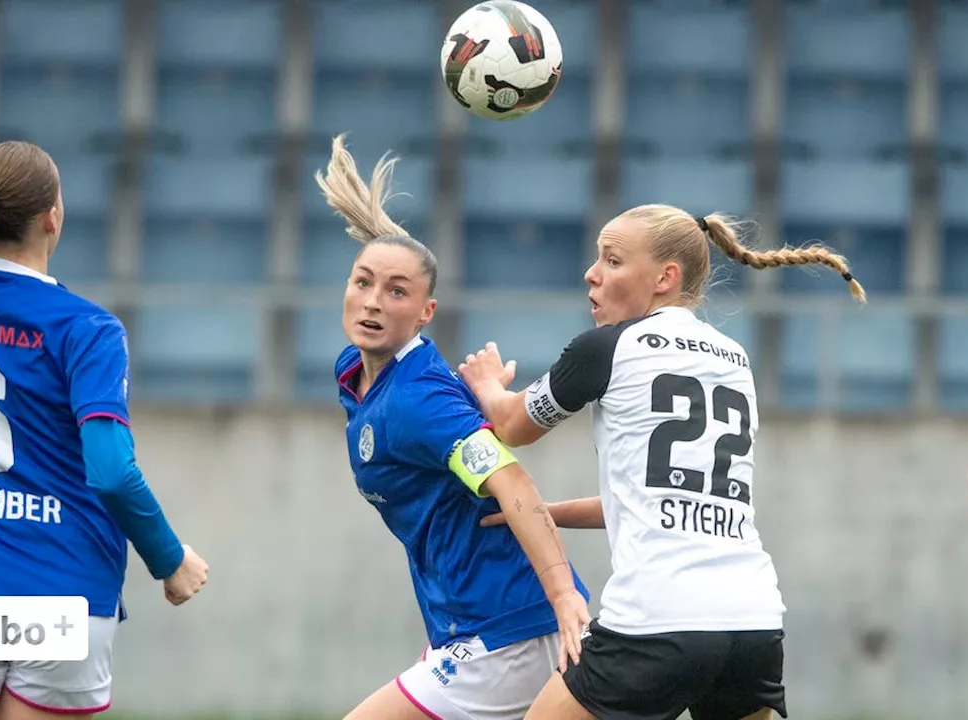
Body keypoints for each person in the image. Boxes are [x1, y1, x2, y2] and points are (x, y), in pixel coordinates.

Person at [458, 203, 866, 720]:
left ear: (664, 278)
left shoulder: (608, 347)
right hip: (753, 621)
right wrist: (546, 513)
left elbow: (513, 426)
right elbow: (659, 497)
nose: (592, 273)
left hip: (658, 620)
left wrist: (489, 383)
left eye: (611, 260)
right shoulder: (735, 359)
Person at [0, 140, 209, 719]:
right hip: (62, 597)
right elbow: (113, 473)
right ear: (54, 217)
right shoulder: (89, 330)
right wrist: (170, 560)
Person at [313, 134, 592, 720]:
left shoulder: (416, 399)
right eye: (362, 282)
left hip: (511, 627)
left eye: (397, 291)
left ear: (425, 312)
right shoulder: (359, 375)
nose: (372, 302)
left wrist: (565, 594)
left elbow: (511, 481)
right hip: (474, 624)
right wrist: (486, 394)